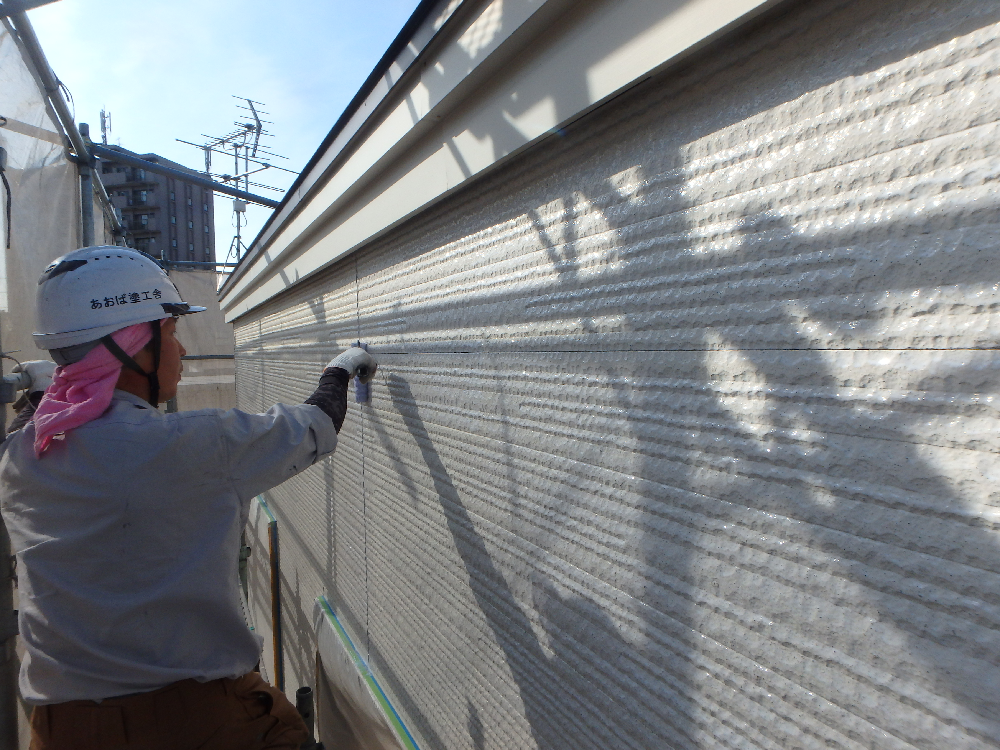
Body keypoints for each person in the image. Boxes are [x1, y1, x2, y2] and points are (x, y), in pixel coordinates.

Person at [0, 246, 377, 750]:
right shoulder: (191, 445)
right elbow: (314, 426)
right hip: (194, 722)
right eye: (171, 334)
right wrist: (340, 369)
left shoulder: (22, 453)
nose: (182, 352)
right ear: (129, 348)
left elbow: (46, 416)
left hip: (60, 727)